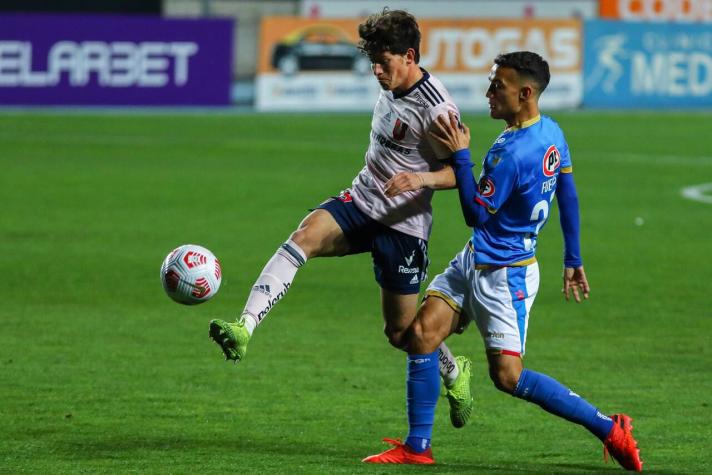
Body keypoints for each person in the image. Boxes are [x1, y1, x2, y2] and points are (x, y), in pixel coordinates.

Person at [363, 51, 643, 472]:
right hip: (476, 257)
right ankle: (417, 446)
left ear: (525, 93)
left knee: (508, 377)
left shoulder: (511, 153)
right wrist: (573, 256)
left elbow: (475, 213)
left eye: (499, 86)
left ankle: (609, 427)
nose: (489, 92)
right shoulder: (551, 133)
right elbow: (567, 192)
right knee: (421, 334)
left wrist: (460, 156)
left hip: (504, 276)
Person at [209, 9, 474, 428]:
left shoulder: (438, 109)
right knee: (304, 236)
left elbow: (461, 174)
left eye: (382, 62)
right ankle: (244, 327)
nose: (375, 70)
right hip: (361, 199)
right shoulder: (390, 84)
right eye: (371, 60)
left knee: (402, 334)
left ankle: (455, 372)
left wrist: (418, 178)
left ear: (408, 56)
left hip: (403, 226)